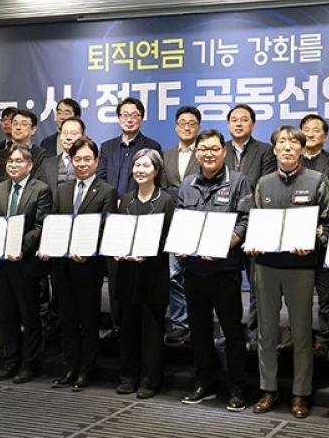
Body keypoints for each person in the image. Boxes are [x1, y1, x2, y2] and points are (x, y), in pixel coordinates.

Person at [247, 126, 329, 418]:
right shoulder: (263, 183)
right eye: (281, 142)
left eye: (293, 142)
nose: (287, 147)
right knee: (267, 333)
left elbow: (328, 223)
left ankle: (300, 394)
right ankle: (268, 389)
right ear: (274, 150)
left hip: (300, 268)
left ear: (302, 149)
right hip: (267, 267)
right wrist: (253, 242)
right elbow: (254, 220)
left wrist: (313, 242)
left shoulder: (317, 181)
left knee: (302, 335)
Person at [178, 129, 252, 412]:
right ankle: (204, 383)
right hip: (193, 269)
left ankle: (237, 388)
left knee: (232, 332)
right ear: (196, 153)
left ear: (224, 151)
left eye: (213, 149)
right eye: (203, 149)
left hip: (224, 270)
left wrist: (224, 243)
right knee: (199, 331)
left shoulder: (238, 181)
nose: (208, 154)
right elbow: (181, 219)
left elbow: (245, 221)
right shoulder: (188, 183)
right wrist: (181, 245)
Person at [48, 138, 117, 391]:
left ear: (96, 162)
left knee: (88, 320)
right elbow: (55, 223)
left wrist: (87, 250)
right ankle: (70, 367)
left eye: (87, 159)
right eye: (77, 159)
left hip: (89, 266)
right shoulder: (63, 189)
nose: (82, 164)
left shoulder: (107, 191)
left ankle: (86, 369)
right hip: (63, 265)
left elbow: (106, 228)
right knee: (67, 320)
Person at [0, 144, 52, 383]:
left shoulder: (41, 190)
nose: (13, 165)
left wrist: (19, 247)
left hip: (26, 264)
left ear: (30, 165)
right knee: (7, 315)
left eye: (19, 161)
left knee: (29, 315)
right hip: (2, 264)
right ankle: (11, 361)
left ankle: (29, 364)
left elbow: (41, 226)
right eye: (10, 161)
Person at [98, 97, 161, 338]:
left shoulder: (151, 145)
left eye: (135, 115)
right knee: (116, 274)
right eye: (125, 115)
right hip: (113, 218)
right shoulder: (107, 147)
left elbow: (155, 181)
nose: (129, 119)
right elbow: (101, 178)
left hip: (140, 217)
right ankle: (118, 325)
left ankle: (138, 327)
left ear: (142, 119)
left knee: (139, 272)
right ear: (118, 118)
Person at [115, 149, 175, 399]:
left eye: (146, 166)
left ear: (156, 171)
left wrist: (149, 253)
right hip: (127, 272)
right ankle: (128, 376)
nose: (140, 170)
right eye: (137, 165)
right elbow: (118, 233)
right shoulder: (125, 200)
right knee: (128, 328)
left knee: (152, 329)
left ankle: (150, 379)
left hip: (154, 273)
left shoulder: (165, 200)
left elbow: (170, 237)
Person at [224, 104, 277, 350]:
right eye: (234, 120)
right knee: (227, 285)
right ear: (228, 124)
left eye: (244, 119)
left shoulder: (265, 151)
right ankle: (231, 333)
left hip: (255, 224)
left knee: (257, 286)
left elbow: (264, 187)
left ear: (253, 125)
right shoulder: (220, 149)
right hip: (225, 226)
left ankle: (255, 335)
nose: (238, 123)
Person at [296, 113, 329, 359]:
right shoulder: (292, 159)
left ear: (325, 136)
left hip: (323, 233)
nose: (310, 133)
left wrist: (302, 200)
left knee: (326, 293)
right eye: (306, 129)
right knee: (297, 293)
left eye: (316, 130)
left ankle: (325, 338)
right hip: (295, 235)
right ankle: (298, 336)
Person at [161, 106, 201, 346]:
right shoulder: (165, 155)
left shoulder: (206, 152)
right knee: (174, 275)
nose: (187, 127)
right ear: (176, 127)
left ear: (198, 127)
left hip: (197, 221)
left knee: (197, 276)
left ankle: (198, 323)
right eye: (182, 123)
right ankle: (179, 323)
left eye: (192, 123)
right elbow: (162, 188)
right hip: (172, 222)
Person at [0, 109, 48, 184]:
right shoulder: (0, 155)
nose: (18, 127)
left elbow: (39, 184)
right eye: (15, 124)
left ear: (33, 129)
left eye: (24, 124)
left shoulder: (41, 155)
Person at [39, 117, 85, 197]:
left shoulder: (91, 163)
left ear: (83, 136)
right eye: (64, 133)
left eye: (73, 134)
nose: (68, 138)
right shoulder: (47, 164)